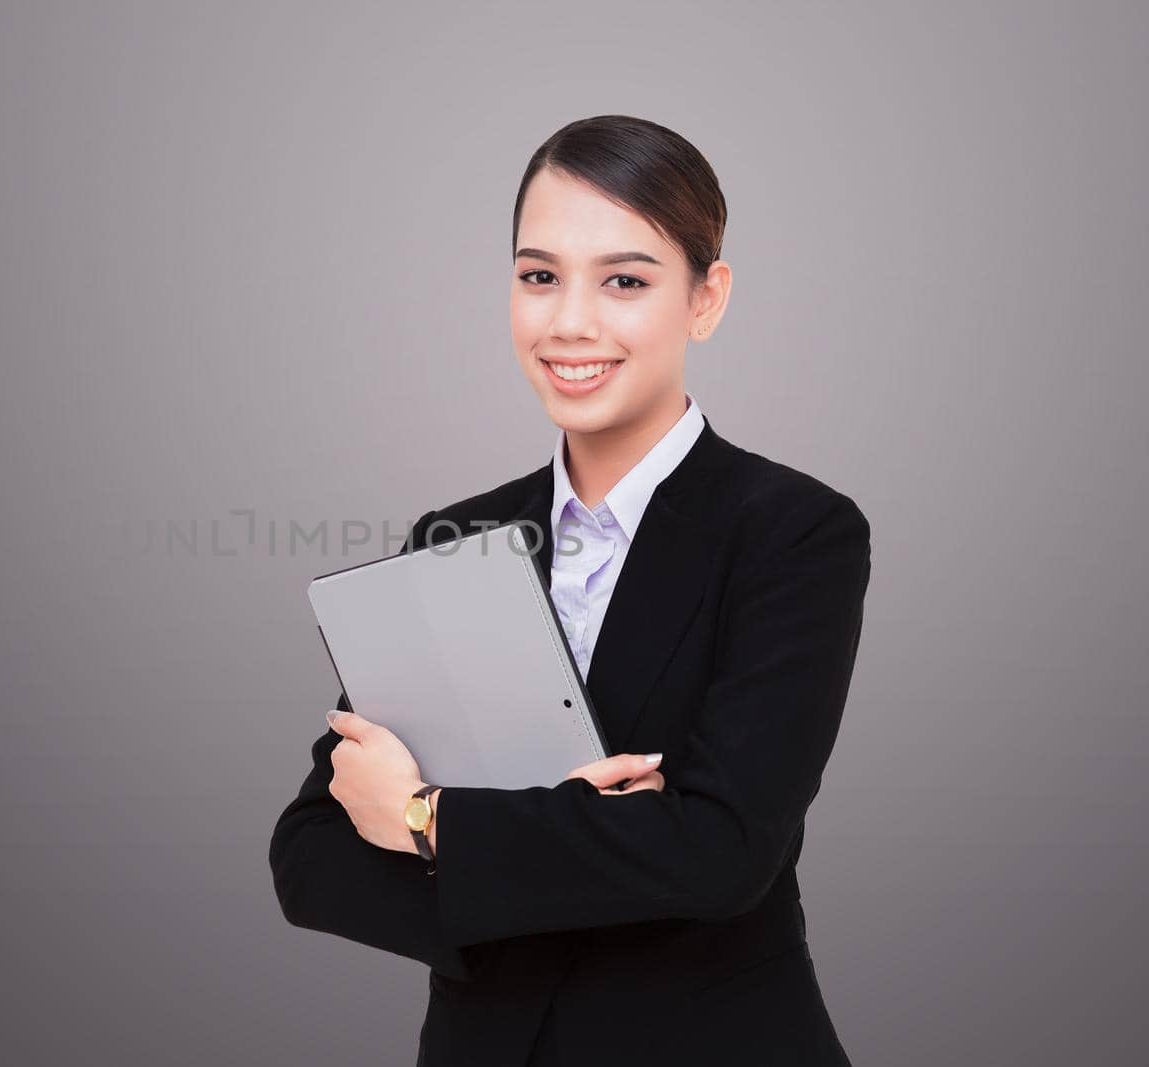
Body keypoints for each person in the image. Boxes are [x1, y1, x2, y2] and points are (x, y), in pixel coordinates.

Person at [268, 115, 868, 1066]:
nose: (569, 322)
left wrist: (428, 820)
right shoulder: (456, 537)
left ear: (706, 299)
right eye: (539, 275)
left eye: (625, 280)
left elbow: (722, 854)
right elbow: (311, 859)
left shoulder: (792, 531)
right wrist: (602, 842)